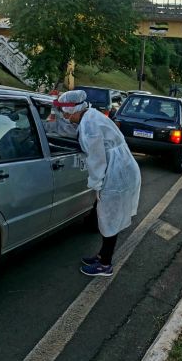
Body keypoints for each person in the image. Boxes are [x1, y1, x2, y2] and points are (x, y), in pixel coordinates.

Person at [50, 90, 141, 277]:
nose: (66, 118)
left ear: (75, 110)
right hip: (120, 166)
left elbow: (96, 159)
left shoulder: (89, 125)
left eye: (67, 114)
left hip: (116, 172)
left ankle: (105, 264)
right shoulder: (89, 116)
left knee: (109, 217)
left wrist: (97, 184)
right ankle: (102, 256)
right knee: (109, 216)